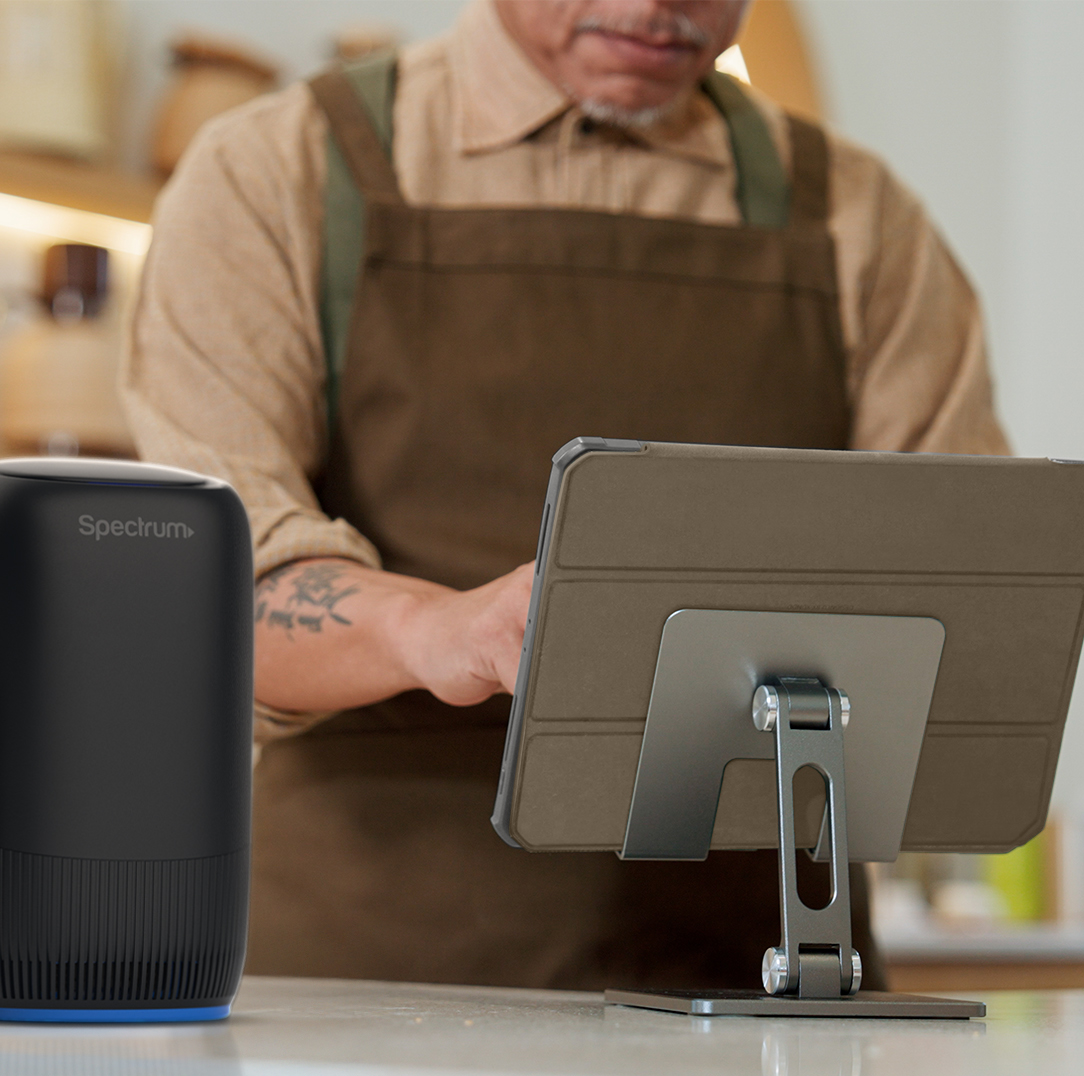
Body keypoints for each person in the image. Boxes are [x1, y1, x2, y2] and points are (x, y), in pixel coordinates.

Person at [125, 0, 1009, 990]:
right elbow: (212, 595)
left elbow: (966, 599)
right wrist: (442, 631)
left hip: (759, 983)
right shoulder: (274, 172)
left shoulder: (859, 215)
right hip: (367, 983)